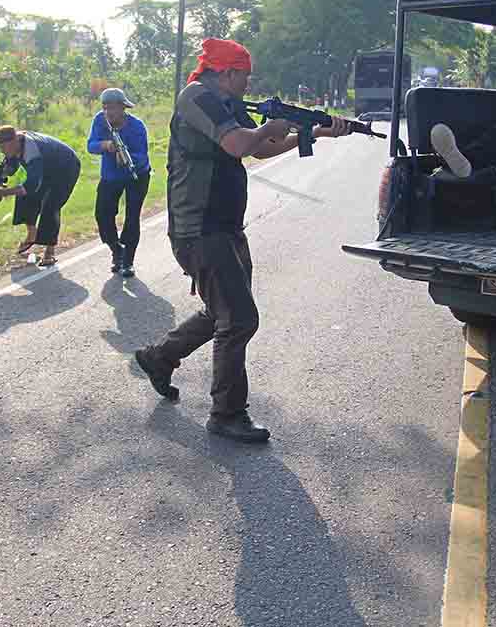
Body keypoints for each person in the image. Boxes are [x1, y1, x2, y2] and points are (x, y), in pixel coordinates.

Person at [133, 38, 349, 443]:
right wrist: (271, 125)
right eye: (245, 77)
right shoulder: (197, 97)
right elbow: (238, 143)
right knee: (240, 319)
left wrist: (316, 131)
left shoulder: (226, 103)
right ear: (227, 72)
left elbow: (261, 150)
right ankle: (227, 414)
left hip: (225, 225)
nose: (248, 85)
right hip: (199, 228)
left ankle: (159, 357)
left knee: (222, 313)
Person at [0, 126, 81, 267]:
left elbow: (31, 186)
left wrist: (4, 193)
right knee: (24, 197)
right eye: (0, 148)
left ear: (15, 140)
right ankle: (32, 234)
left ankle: (49, 252)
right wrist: (0, 178)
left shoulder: (31, 150)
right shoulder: (15, 145)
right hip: (47, 168)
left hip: (66, 167)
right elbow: (12, 166)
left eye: (5, 148)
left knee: (50, 205)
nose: (3, 151)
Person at [87, 87, 152, 277]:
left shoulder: (137, 126)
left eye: (113, 108)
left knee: (132, 218)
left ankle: (128, 262)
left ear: (123, 108)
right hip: (110, 176)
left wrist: (125, 157)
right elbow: (91, 145)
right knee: (102, 215)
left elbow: (142, 155)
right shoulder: (100, 121)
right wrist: (105, 145)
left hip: (137, 176)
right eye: (105, 107)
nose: (108, 112)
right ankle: (117, 250)